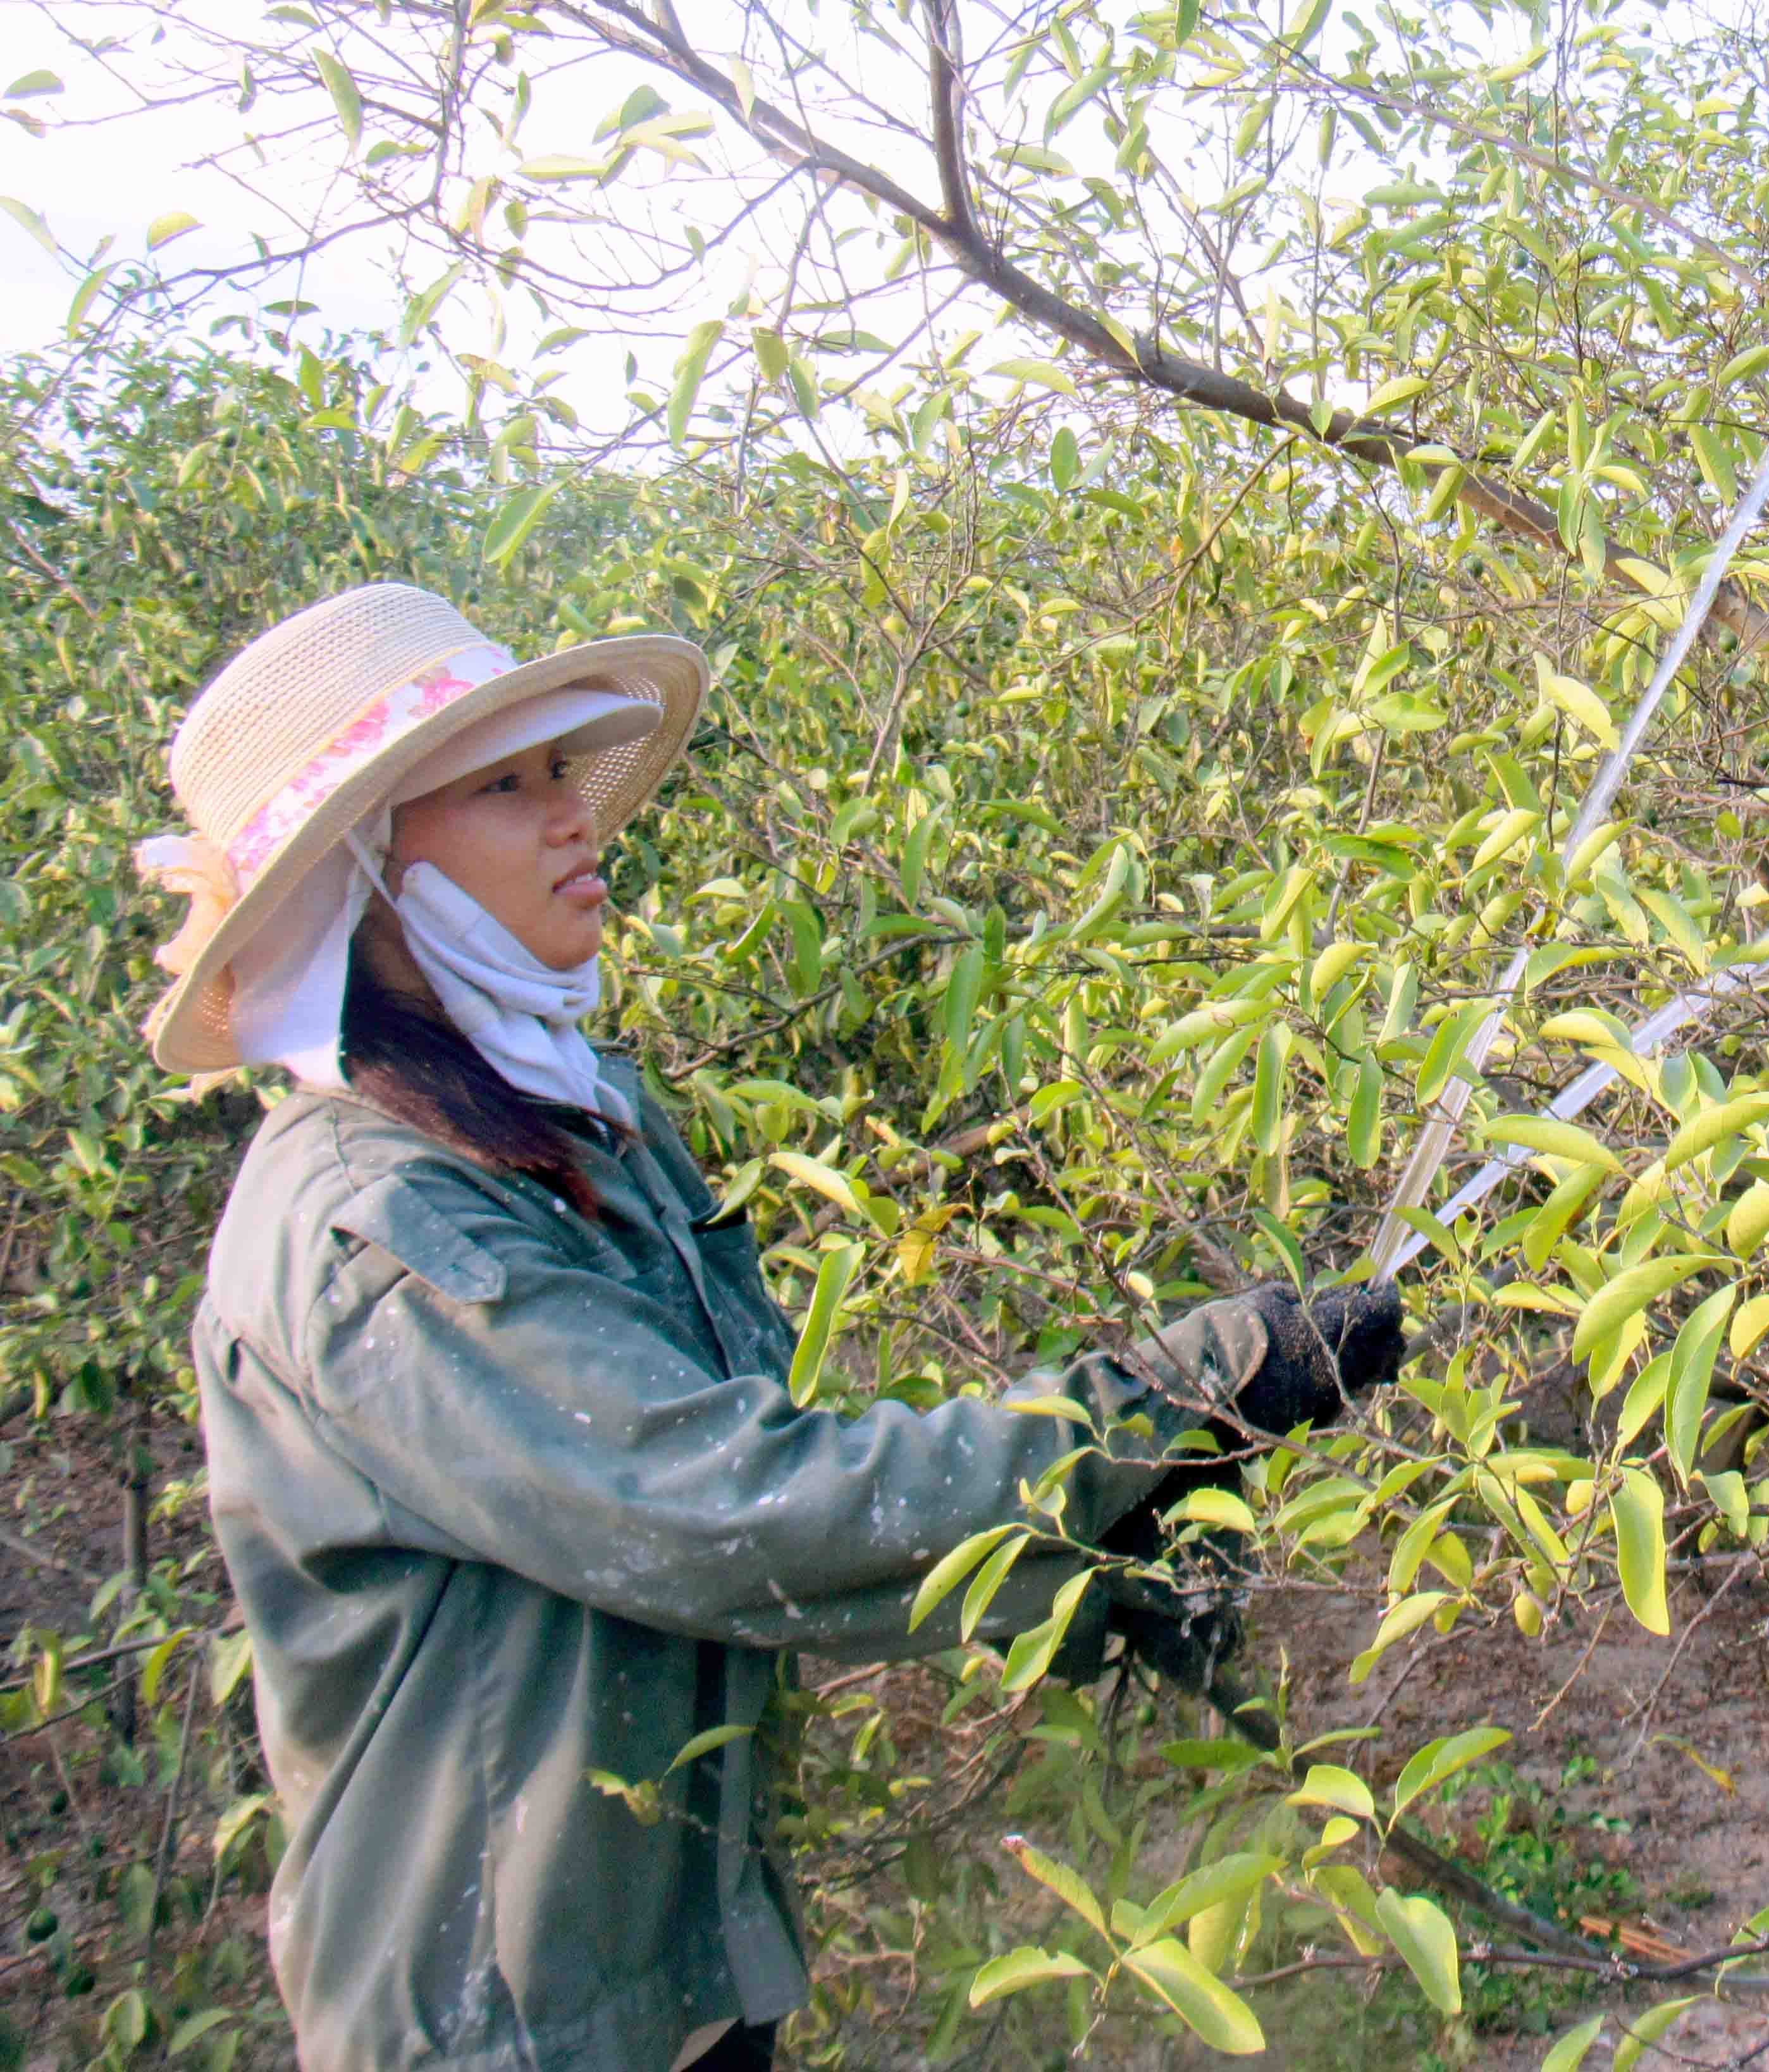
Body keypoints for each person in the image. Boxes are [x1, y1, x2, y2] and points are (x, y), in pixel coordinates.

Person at [134, 583, 1402, 2072]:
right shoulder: (370, 1221)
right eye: (507, 786)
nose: (574, 822)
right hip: (500, 2028)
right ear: (360, 869)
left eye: (563, 774)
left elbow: (772, 1463)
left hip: (676, 1982)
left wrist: (1099, 1555)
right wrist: (1162, 1400)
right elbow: (717, 1509)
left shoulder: (578, 1122)